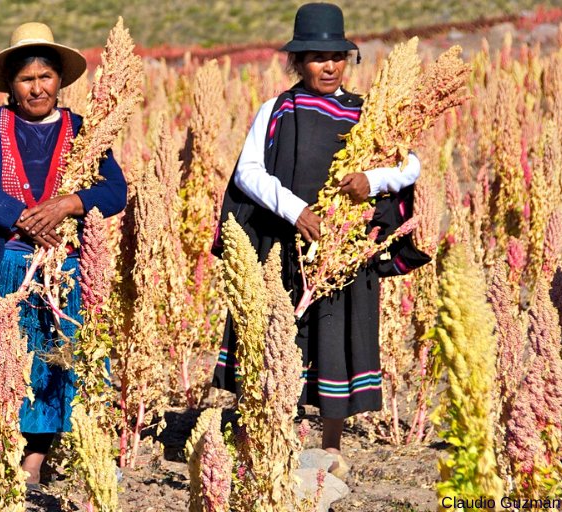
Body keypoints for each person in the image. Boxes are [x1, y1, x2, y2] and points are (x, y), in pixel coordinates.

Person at [210, 3, 420, 477]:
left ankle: (330, 445)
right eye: (316, 57)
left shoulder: (368, 111)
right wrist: (295, 210)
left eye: (337, 57)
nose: (329, 66)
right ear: (297, 62)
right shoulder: (279, 109)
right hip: (283, 247)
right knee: (274, 336)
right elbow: (248, 173)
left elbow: (411, 165)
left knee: (335, 335)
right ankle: (270, 433)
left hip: (342, 250)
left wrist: (374, 178)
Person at [0, 22, 127, 485]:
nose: (37, 87)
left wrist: (70, 203)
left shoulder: (85, 132)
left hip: (57, 272)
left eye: (46, 77)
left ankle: (34, 460)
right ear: (11, 85)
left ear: (60, 81)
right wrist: (23, 216)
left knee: (48, 362)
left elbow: (116, 190)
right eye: (27, 79)